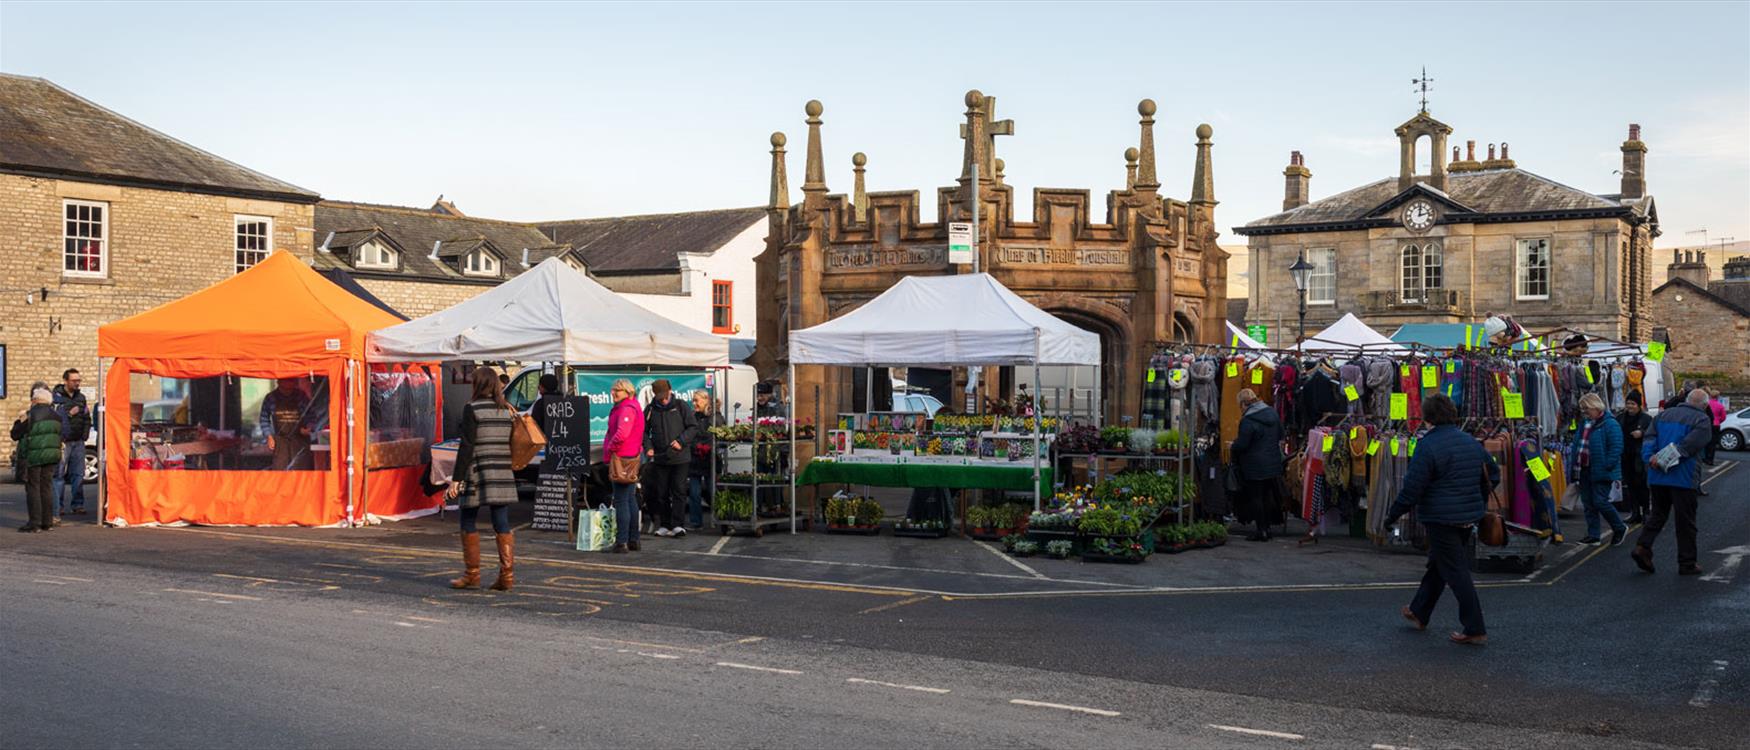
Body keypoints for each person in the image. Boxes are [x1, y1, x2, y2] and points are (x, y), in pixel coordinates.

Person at [1384, 393, 1498, 645]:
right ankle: (1419, 611)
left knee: (1456, 571)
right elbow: (1494, 474)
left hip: (1441, 517)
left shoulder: (1428, 446)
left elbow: (1412, 488)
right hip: (1468, 516)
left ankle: (1475, 627)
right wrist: (1475, 499)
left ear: (1427, 418)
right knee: (1439, 565)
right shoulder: (1470, 441)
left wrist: (1392, 515)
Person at [448, 368, 518, 591]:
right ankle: (506, 576)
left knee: (468, 519)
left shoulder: (472, 408)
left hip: (477, 469)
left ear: (476, 385)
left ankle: (472, 574)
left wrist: (456, 479)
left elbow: (467, 445)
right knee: (501, 521)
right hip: (502, 469)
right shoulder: (507, 410)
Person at [1632, 389, 1715, 576]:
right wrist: (1664, 459)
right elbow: (1689, 446)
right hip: (1683, 478)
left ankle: (1642, 547)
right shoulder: (1701, 420)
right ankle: (1687, 563)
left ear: (1686, 400)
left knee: (1658, 515)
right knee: (1685, 521)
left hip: (1657, 476)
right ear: (1704, 405)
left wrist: (1651, 458)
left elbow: (1649, 438)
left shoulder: (1664, 415)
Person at [643, 379, 700, 538]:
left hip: (680, 457)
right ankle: (664, 525)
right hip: (660, 458)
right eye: (659, 395)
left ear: (670, 390)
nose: (663, 398)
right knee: (661, 492)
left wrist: (681, 441)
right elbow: (643, 432)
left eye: (664, 394)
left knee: (679, 491)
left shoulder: (681, 406)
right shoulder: (650, 410)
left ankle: (678, 525)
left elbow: (693, 427)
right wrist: (648, 448)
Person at [1570, 393, 1627, 546]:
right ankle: (1594, 535)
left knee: (1600, 501)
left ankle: (1619, 527)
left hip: (1601, 469)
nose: (1584, 413)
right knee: (1588, 503)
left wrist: (1607, 464)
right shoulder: (1585, 423)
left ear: (1595, 406)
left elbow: (1616, 447)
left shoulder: (1610, 424)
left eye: (1586, 409)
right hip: (1584, 468)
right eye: (1582, 410)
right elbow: (1577, 444)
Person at [1228, 387, 1283, 542]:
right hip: (1272, 463)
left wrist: (1232, 445)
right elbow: (1280, 434)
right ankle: (1268, 529)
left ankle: (1261, 531)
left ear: (1244, 404)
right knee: (1266, 496)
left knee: (1256, 497)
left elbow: (1243, 444)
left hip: (1254, 464)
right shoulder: (1272, 413)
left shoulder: (1248, 420)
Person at [11, 388, 64, 533]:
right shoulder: (56, 416)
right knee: (46, 487)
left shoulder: (30, 415)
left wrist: (19, 420)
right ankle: (47, 522)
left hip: (33, 456)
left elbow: (15, 434)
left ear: (35, 400)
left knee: (33, 487)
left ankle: (34, 523)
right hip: (52, 455)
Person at [602, 379, 645, 553]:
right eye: (613, 390)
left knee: (621, 500)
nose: (613, 393)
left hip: (622, 458)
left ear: (627, 392)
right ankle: (633, 540)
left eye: (617, 390)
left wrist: (611, 448)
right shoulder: (634, 406)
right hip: (632, 456)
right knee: (630, 499)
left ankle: (622, 542)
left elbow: (622, 433)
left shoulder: (627, 408)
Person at [50, 368, 90, 517]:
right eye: (74, 380)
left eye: (78, 380)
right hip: (63, 442)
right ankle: (58, 506)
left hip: (78, 441)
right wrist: (68, 414)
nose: (77, 383)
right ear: (65, 381)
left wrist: (85, 434)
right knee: (59, 475)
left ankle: (78, 504)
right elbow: (53, 418)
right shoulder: (56, 398)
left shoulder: (81, 398)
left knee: (78, 474)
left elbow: (87, 417)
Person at [259, 377, 314, 470]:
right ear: (278, 382)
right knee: (280, 473)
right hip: (281, 442)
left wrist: (308, 427)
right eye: (286, 382)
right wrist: (268, 436)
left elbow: (311, 415)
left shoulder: (301, 396)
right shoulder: (270, 398)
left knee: (301, 473)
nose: (289, 385)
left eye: (292, 381)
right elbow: (264, 419)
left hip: (300, 441)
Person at [685, 390, 721, 530]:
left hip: (710, 459)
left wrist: (706, 447)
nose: (694, 403)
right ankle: (696, 522)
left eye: (697, 400)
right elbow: (689, 435)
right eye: (693, 400)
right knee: (694, 493)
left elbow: (717, 435)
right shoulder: (693, 416)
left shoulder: (715, 417)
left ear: (706, 400)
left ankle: (719, 518)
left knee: (713, 492)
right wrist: (695, 446)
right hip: (695, 461)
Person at [1617, 391, 1653, 525]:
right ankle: (1635, 512)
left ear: (1639, 405)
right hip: (1625, 456)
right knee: (1630, 485)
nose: (1630, 406)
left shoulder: (1646, 419)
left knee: (1642, 485)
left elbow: (1653, 434)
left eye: (1633, 403)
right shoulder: (1620, 418)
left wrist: (1642, 433)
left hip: (1640, 457)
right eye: (1628, 403)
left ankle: (1646, 512)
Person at [1704, 387, 1726, 467]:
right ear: (1718, 396)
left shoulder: (1706, 404)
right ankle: (1710, 459)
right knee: (1713, 443)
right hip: (1716, 425)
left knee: (1705, 441)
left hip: (1707, 424)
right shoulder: (1720, 405)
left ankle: (1705, 457)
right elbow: (1723, 417)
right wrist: (1718, 420)